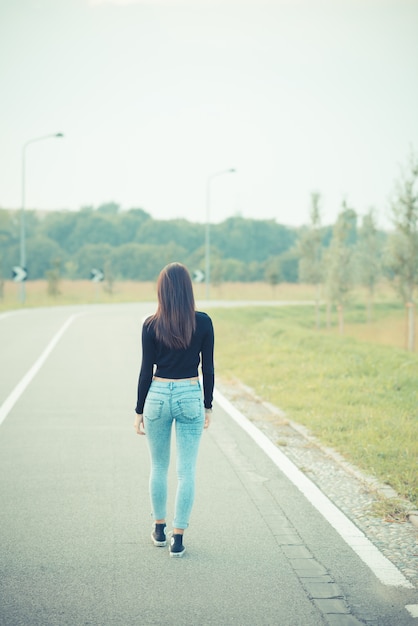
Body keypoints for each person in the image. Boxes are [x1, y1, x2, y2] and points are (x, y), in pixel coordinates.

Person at [134, 262, 214, 558]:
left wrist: (139, 409)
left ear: (162, 290)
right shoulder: (203, 322)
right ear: (188, 289)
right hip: (189, 394)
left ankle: (158, 528)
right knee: (186, 471)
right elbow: (208, 366)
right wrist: (208, 404)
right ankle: (178, 537)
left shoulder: (151, 324)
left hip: (157, 394)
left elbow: (145, 370)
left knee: (158, 466)